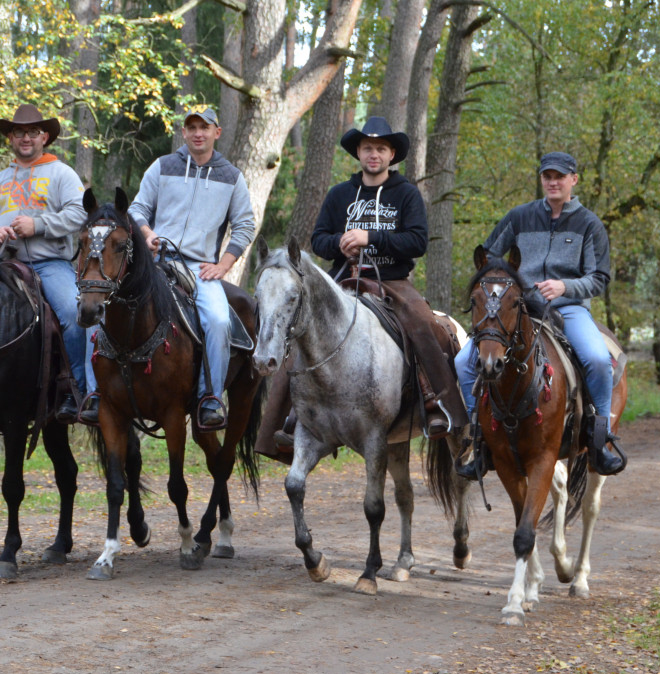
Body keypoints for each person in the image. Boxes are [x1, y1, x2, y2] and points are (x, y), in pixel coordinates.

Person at [256, 117, 467, 458]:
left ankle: (438, 405)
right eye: (368, 147)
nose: (374, 154)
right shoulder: (340, 194)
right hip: (342, 281)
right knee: (300, 333)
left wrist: (373, 237)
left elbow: (417, 240)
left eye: (381, 148)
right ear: (358, 151)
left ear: (392, 153)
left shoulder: (406, 194)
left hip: (393, 281)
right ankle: (287, 422)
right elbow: (318, 240)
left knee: (424, 322)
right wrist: (340, 241)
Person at [453, 151, 625, 478]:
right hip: (519, 309)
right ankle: (478, 441)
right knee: (463, 362)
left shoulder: (589, 224)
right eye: (547, 176)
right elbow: (490, 256)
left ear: (573, 179)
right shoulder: (519, 216)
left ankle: (600, 441)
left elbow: (600, 278)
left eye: (560, 176)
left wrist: (564, 287)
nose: (553, 182)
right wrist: (508, 285)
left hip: (568, 307)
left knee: (599, 360)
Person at [0, 103, 98, 423]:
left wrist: (38, 226)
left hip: (49, 264)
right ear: (11, 138)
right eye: (19, 132)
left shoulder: (61, 173)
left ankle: (79, 391)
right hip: (2, 264)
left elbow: (81, 214)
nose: (26, 138)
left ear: (45, 137)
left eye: (33, 132)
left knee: (74, 312)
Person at [126, 105, 255, 429]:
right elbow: (137, 208)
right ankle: (102, 390)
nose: (198, 133)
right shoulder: (162, 166)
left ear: (216, 132)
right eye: (192, 127)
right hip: (155, 261)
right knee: (109, 304)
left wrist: (224, 264)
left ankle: (209, 398)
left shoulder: (232, 176)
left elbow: (244, 225)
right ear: (183, 132)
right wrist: (148, 234)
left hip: (199, 267)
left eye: (205, 127)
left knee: (218, 319)